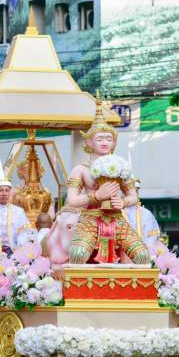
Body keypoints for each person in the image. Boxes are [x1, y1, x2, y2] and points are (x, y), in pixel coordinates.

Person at [65, 105, 150, 264]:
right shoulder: (81, 169)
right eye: (100, 138)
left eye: (108, 139)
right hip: (90, 220)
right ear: (89, 142)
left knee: (142, 256)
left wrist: (124, 202)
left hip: (116, 219)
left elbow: (133, 196)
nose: (105, 142)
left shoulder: (121, 167)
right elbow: (72, 201)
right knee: (77, 254)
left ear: (114, 142)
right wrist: (96, 196)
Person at [121, 179, 161, 250]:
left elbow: (151, 237)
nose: (131, 194)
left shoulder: (146, 214)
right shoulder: (116, 211)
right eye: (127, 191)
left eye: (135, 191)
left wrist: (141, 251)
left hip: (142, 254)